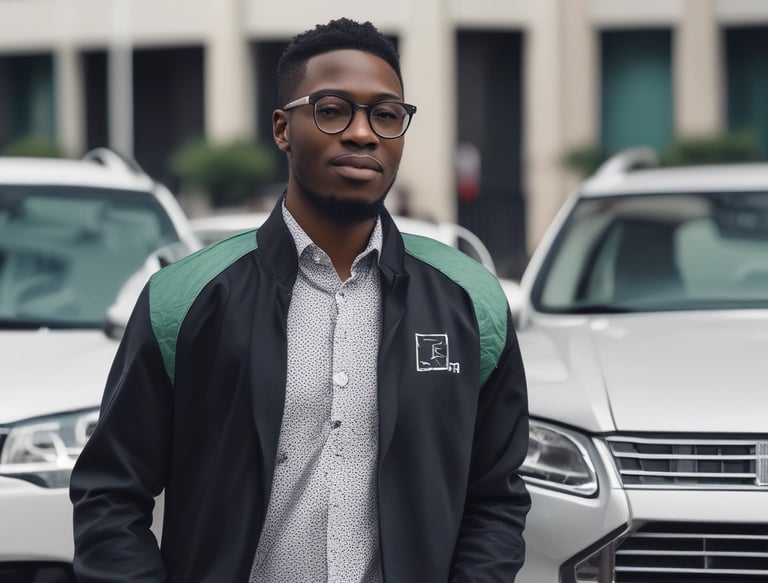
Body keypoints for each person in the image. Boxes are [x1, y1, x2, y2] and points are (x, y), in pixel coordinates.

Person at [70, 17, 531, 583]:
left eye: (386, 115)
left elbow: (496, 500)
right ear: (283, 128)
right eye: (334, 109)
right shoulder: (185, 298)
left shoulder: (470, 300)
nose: (363, 134)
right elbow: (110, 495)